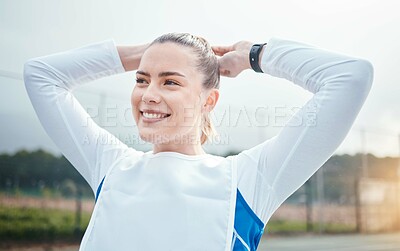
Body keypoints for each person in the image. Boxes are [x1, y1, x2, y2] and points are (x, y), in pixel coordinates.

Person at [24, 33, 373, 251]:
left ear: (209, 101)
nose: (148, 95)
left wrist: (254, 55)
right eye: (142, 79)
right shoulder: (110, 166)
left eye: (170, 82)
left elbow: (350, 77)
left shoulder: (247, 180)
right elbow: (40, 74)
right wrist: (150, 51)